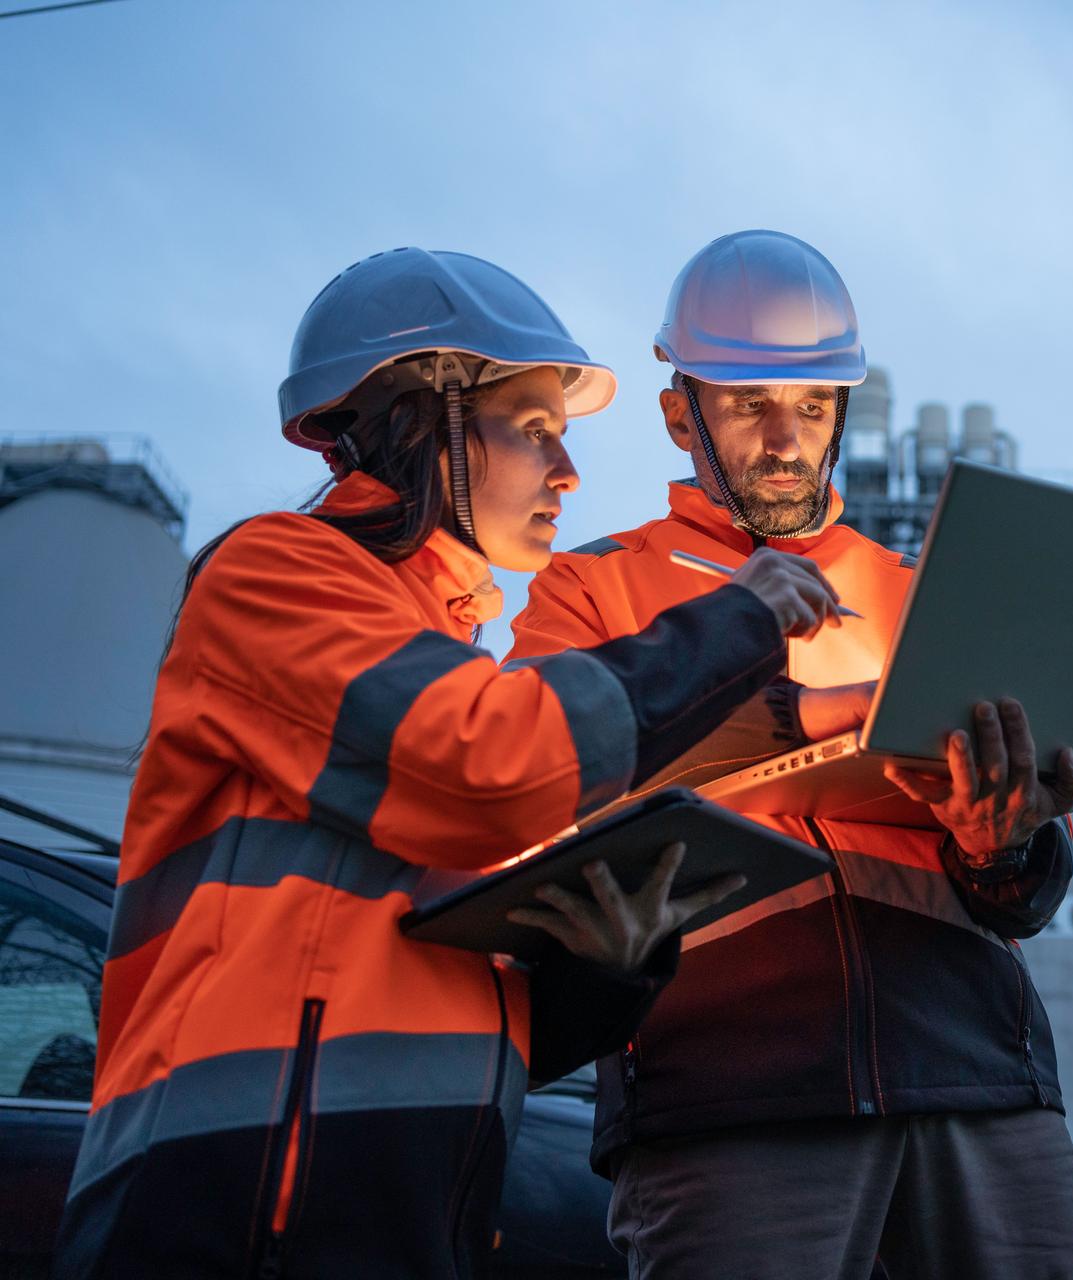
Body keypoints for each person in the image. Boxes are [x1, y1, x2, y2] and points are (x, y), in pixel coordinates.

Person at [53, 247, 846, 1280]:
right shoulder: (273, 577)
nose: (568, 473)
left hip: (409, 1205)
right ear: (428, 422)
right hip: (226, 1201)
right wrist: (740, 616)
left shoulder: (447, 656)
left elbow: (477, 1007)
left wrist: (608, 960)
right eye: (534, 430)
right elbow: (493, 762)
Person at [507, 230, 1073, 1279]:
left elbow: (1017, 895)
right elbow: (537, 785)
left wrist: (1004, 839)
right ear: (677, 411)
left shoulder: (921, 592)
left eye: (814, 404)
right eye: (748, 403)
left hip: (977, 1078)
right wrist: (800, 706)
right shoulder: (593, 593)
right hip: (731, 1094)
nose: (787, 438)